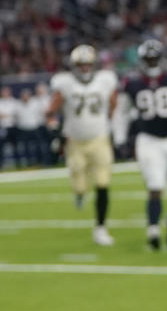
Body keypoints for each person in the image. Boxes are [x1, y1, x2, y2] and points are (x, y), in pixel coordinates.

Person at [46, 45, 119, 246]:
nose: (85, 68)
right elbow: (51, 111)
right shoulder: (65, 83)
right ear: (74, 65)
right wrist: (56, 132)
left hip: (99, 138)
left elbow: (114, 103)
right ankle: (79, 194)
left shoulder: (105, 80)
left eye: (88, 64)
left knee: (103, 183)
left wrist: (112, 124)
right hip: (75, 141)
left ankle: (101, 228)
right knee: (79, 183)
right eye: (81, 64)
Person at [123, 39, 167, 250]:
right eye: (148, 59)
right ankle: (153, 230)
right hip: (149, 139)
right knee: (155, 185)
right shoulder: (133, 83)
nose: (152, 63)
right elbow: (122, 112)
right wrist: (121, 138)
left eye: (154, 59)